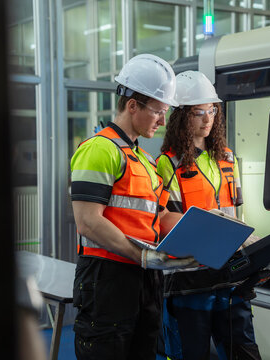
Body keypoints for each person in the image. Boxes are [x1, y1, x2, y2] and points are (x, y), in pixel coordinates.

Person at [70, 54, 196, 360]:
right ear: (132, 105)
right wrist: (143, 256)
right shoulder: (99, 150)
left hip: (144, 279)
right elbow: (88, 221)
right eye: (158, 112)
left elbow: (161, 215)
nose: (163, 121)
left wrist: (208, 229)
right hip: (107, 279)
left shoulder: (146, 161)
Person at [157, 70, 262, 360]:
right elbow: (169, 226)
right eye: (198, 112)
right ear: (181, 117)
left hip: (230, 276)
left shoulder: (227, 159)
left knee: (244, 351)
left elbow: (235, 212)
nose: (207, 119)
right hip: (189, 281)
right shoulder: (168, 165)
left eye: (212, 110)